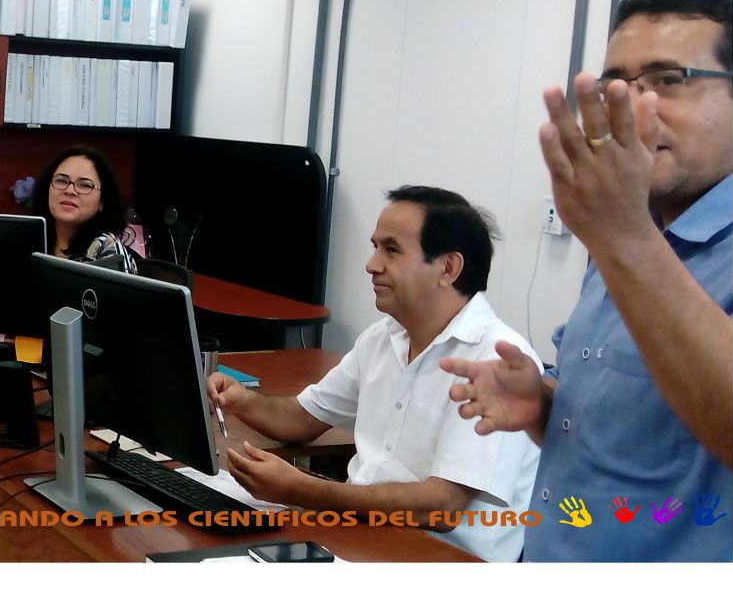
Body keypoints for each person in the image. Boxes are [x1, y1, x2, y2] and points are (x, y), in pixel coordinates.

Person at [442, 0, 733, 562]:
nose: (631, 107)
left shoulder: (627, 237)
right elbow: (643, 430)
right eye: (615, 86)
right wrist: (544, 406)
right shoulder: (627, 236)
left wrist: (622, 236)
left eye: (668, 80)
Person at [209, 186, 541, 562]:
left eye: (391, 250)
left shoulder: (495, 360)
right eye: (375, 247)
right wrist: (241, 400)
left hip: (440, 559)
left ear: (448, 268)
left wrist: (303, 491)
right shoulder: (384, 336)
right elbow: (301, 419)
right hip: (360, 533)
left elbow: (442, 506)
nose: (371, 264)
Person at [29, 145, 137, 273]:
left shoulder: (108, 250)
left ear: (102, 201)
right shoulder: (30, 239)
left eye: (85, 185)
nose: (70, 190)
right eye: (61, 181)